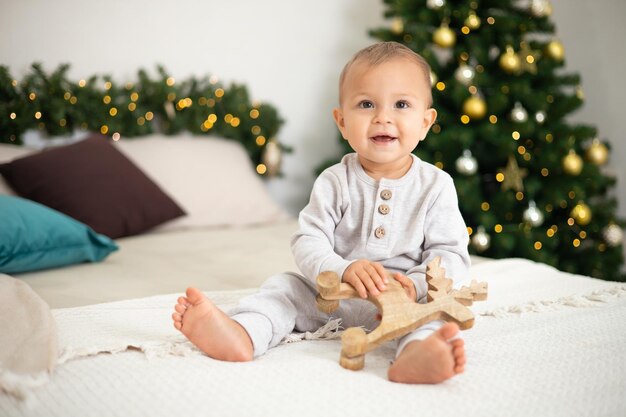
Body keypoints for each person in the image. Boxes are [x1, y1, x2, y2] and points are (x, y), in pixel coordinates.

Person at [172, 41, 471, 384]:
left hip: (403, 301)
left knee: (435, 316)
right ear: (342, 122)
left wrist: (416, 287)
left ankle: (416, 355)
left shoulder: (436, 185)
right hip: (332, 299)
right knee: (284, 288)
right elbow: (308, 240)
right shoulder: (335, 181)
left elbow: (451, 256)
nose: (382, 117)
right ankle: (244, 332)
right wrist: (342, 270)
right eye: (366, 104)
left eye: (401, 104)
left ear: (425, 122)